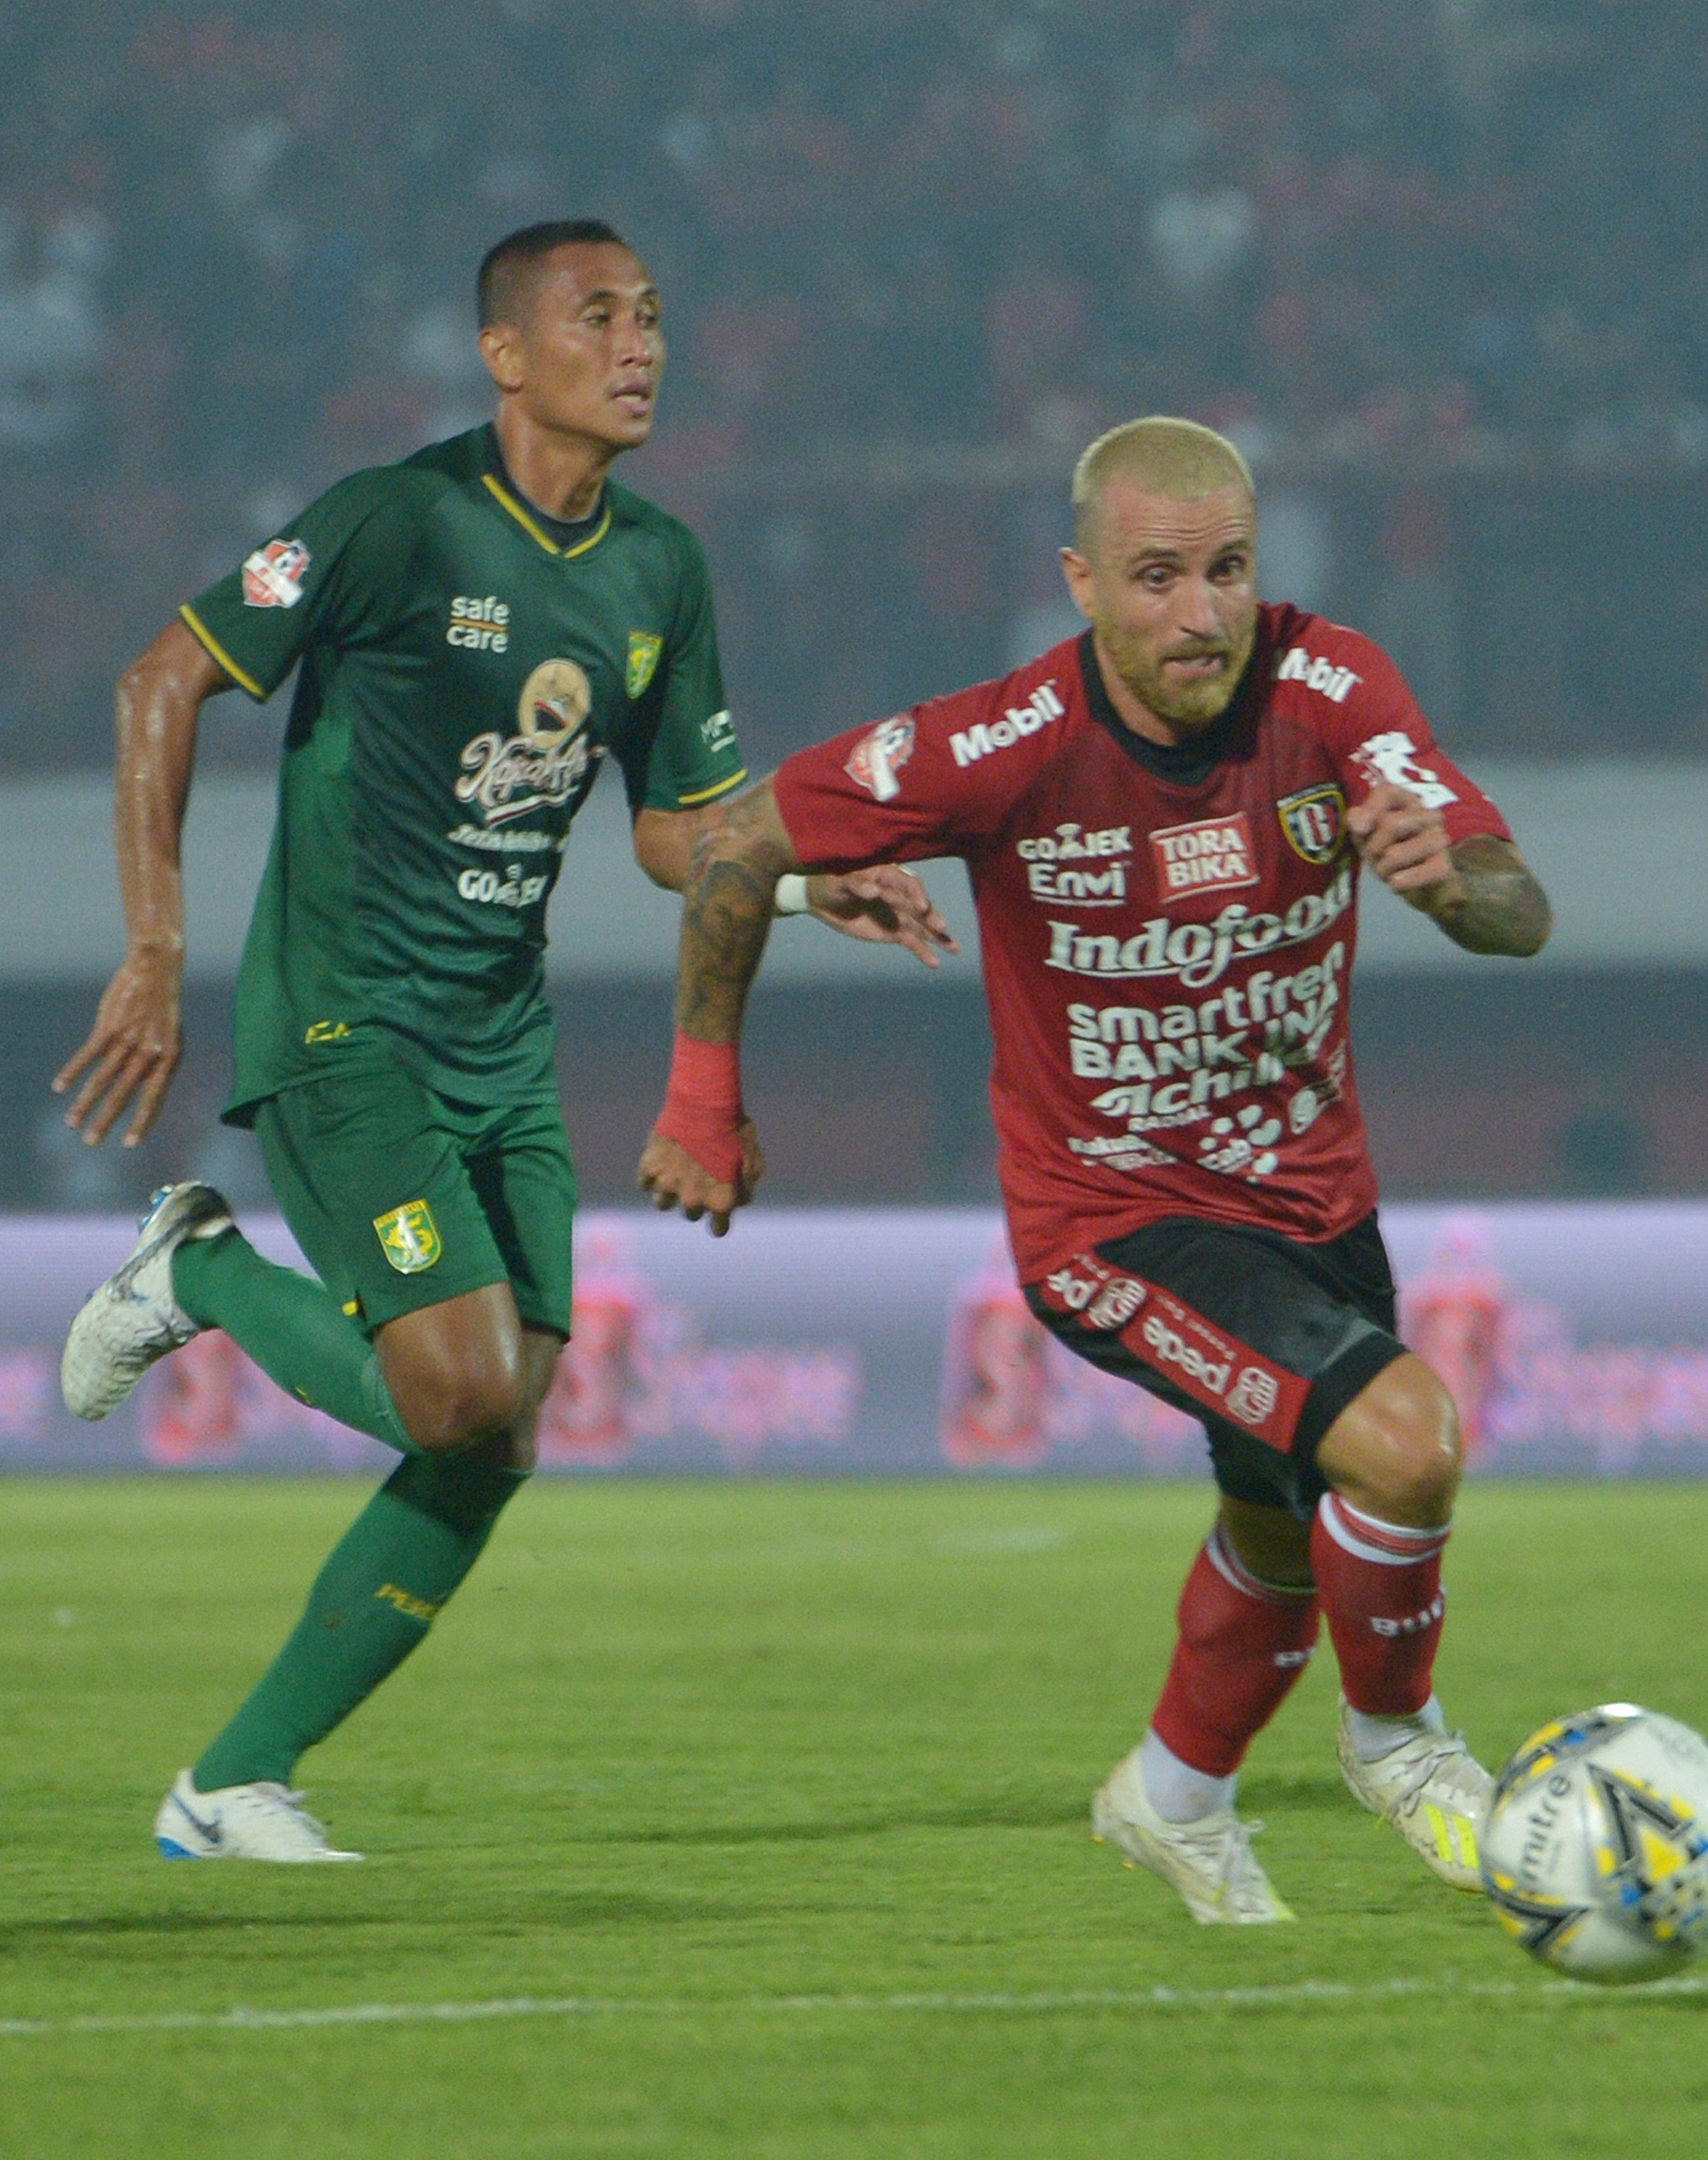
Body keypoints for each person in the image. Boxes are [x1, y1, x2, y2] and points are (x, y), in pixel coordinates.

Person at [50, 220, 933, 1862]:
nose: (641, 345)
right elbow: (158, 681)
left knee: (501, 1431)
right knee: (451, 1391)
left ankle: (230, 1782)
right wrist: (155, 948)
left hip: (496, 1040)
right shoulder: (397, 520)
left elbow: (677, 834)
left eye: (655, 316)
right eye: (597, 316)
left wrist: (808, 887)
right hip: (342, 1018)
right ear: (505, 354)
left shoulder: (660, 567)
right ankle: (200, 1272)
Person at [638, 416, 1551, 1925]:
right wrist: (701, 1094)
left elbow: (1521, 911)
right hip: (1111, 1219)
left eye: (1229, 570)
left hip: (1313, 1203)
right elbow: (726, 845)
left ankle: (1173, 1794)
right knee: (1402, 1442)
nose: (1201, 612)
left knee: (1275, 1516)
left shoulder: (1335, 686)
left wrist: (1456, 885)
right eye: (1157, 577)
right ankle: (1397, 1745)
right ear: (1078, 582)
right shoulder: (992, 746)